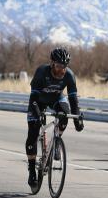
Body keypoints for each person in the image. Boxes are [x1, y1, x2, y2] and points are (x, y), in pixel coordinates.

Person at [26, 48, 83, 188]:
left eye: (64, 66)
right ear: (52, 63)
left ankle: (57, 141)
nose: (61, 70)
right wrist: (38, 113)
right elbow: (33, 97)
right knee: (33, 134)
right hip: (38, 100)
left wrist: (77, 119)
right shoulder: (42, 71)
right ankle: (32, 170)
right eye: (58, 66)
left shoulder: (69, 75)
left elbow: (73, 98)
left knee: (65, 114)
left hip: (56, 99)